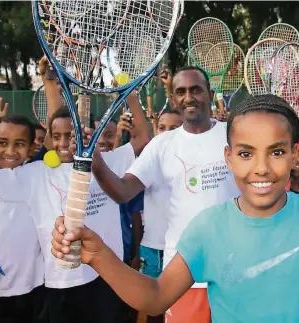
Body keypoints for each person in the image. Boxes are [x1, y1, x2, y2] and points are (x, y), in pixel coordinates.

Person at [51, 93, 299, 322]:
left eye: (278, 152)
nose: (262, 168)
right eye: (246, 153)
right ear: (229, 158)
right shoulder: (207, 228)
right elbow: (155, 298)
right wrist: (99, 255)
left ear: (295, 156)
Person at [0, 87, 149, 323]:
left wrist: (131, 95)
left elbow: (143, 139)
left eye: (71, 135)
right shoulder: (35, 173)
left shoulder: (106, 162)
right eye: (56, 136)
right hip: (61, 282)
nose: (63, 143)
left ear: (86, 134)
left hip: (108, 275)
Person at [87, 66, 241, 323]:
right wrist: (97, 164)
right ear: (172, 99)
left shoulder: (233, 134)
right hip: (183, 275)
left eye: (196, 90)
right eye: (180, 91)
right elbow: (123, 192)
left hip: (235, 268)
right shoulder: (162, 144)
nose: (189, 97)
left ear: (210, 93)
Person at [0, 114, 47, 323]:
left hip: (36, 287)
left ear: (32, 148)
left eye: (19, 144)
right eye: (2, 142)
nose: (10, 151)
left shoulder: (38, 176)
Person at [138, 109, 183, 323]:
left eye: (173, 128)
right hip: (152, 249)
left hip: (181, 250)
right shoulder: (146, 161)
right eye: (162, 127)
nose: (166, 133)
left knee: (181, 307)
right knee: (154, 311)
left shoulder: (193, 160)